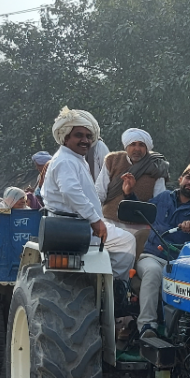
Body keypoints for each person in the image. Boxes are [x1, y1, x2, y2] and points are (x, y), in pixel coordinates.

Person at [41, 107, 135, 280]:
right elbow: (71, 192)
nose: (85, 140)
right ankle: (115, 287)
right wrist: (95, 220)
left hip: (76, 223)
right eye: (79, 135)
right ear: (66, 137)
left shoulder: (74, 159)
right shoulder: (66, 161)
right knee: (127, 241)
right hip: (75, 227)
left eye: (89, 136)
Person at [127, 161, 190, 339]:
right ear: (181, 179)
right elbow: (140, 212)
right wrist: (129, 193)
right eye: (188, 177)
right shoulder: (163, 198)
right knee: (152, 272)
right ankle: (147, 327)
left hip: (181, 264)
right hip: (152, 256)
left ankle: (179, 335)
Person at [96, 128, 169, 221]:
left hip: (140, 224)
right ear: (126, 146)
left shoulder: (156, 166)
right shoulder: (113, 160)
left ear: (147, 148)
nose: (137, 149)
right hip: (110, 220)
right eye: (133, 144)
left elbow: (160, 199)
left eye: (141, 145)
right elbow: (100, 192)